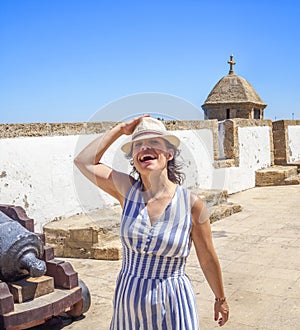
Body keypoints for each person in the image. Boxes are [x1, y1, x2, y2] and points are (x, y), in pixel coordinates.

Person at [74, 115, 229, 329]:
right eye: (138, 145)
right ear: (134, 158)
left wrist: (220, 299)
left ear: (169, 154)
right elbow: (83, 161)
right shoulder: (127, 191)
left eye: (154, 142)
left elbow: (207, 258)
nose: (145, 147)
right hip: (128, 305)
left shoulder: (191, 204)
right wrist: (120, 128)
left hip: (172, 303)